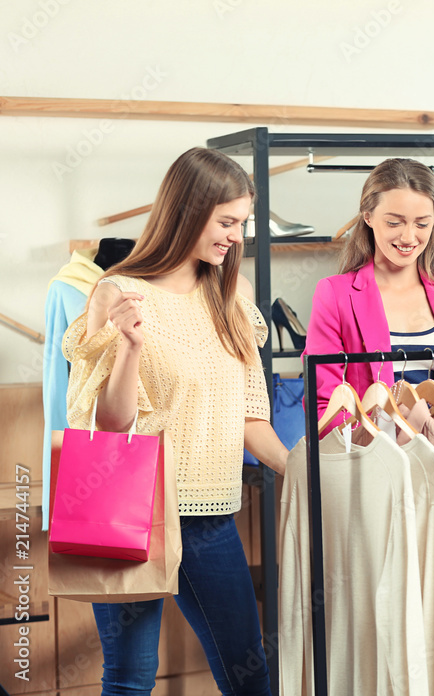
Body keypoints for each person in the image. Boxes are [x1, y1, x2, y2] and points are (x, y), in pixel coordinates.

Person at [63, 147, 288, 695]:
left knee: (250, 675)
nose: (237, 236)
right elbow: (108, 426)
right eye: (227, 222)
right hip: (132, 514)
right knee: (129, 679)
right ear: (188, 210)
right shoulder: (118, 291)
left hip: (209, 518)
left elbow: (251, 417)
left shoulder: (229, 297)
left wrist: (301, 470)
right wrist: (130, 349)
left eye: (242, 223)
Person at [305, 157, 434, 424]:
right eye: (394, 223)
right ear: (368, 216)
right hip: (367, 455)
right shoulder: (334, 294)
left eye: (421, 224)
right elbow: (324, 404)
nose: (409, 237)